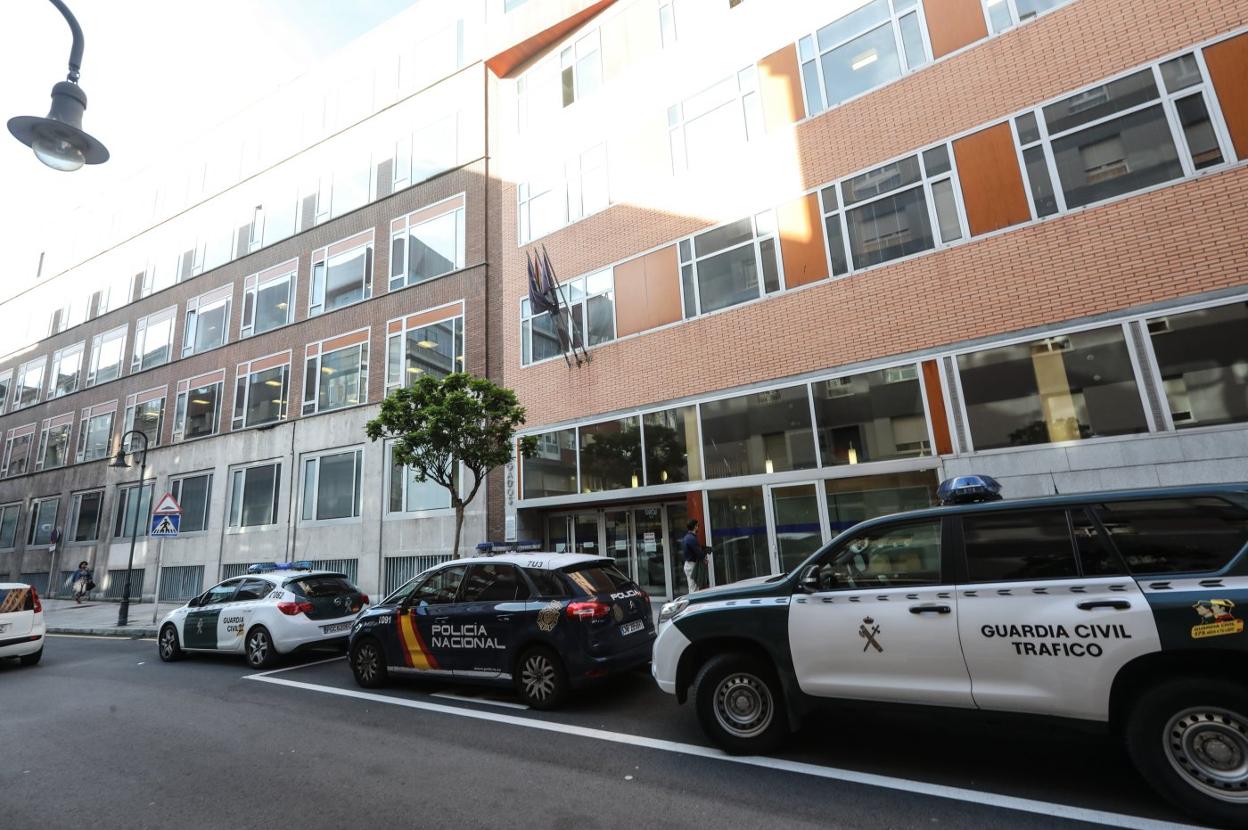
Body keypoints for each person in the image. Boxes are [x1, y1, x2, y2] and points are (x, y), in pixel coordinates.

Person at [681, 520, 707, 594]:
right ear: (695, 527)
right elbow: (697, 551)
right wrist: (704, 558)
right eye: (697, 525)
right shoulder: (691, 538)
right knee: (694, 589)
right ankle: (694, 604)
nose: (698, 527)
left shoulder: (686, 537)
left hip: (689, 564)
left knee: (692, 587)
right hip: (692, 565)